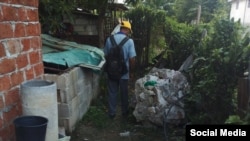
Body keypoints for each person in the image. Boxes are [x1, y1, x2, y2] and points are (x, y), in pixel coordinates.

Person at [104, 21, 136, 119]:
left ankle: (112, 113)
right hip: (124, 73)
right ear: (127, 30)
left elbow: (105, 55)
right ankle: (124, 112)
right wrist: (131, 72)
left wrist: (109, 68)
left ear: (120, 28)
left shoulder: (109, 39)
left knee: (112, 92)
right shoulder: (129, 41)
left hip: (111, 71)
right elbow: (132, 59)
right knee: (124, 92)